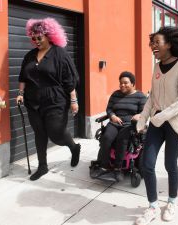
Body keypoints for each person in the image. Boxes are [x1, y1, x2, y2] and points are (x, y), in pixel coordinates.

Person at [135, 27, 178, 225]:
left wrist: (162, 117)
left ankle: (171, 202)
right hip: (157, 123)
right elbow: (152, 96)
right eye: (151, 43)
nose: (153, 46)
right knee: (147, 164)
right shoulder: (157, 66)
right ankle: (152, 206)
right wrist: (144, 118)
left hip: (174, 124)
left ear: (169, 43)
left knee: (170, 164)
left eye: (156, 42)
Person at [16, 18, 81, 181]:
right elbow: (23, 76)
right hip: (33, 102)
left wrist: (74, 101)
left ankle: (74, 147)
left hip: (55, 101)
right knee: (39, 133)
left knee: (56, 133)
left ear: (49, 35)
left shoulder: (60, 54)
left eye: (40, 37)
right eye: (33, 38)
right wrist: (20, 93)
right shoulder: (29, 56)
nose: (36, 41)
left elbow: (69, 80)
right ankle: (42, 166)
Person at [92, 71, 147, 181]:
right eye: (121, 83)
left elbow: (145, 112)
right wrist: (112, 116)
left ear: (133, 83)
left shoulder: (140, 96)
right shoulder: (115, 94)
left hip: (129, 125)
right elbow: (109, 109)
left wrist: (139, 115)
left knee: (122, 139)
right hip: (115, 123)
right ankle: (105, 166)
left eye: (126, 83)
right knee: (106, 137)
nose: (122, 85)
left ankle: (117, 169)